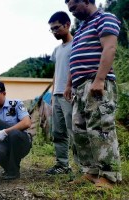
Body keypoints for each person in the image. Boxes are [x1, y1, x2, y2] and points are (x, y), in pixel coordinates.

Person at [64, 0, 122, 188]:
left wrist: (99, 79)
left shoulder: (105, 18)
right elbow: (75, 58)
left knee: (101, 128)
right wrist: (69, 84)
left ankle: (109, 175)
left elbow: (109, 48)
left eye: (73, 6)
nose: (71, 11)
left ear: (87, 1)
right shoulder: (80, 29)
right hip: (80, 86)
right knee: (79, 129)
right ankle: (91, 171)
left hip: (95, 81)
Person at [45, 11, 75, 175]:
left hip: (70, 94)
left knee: (74, 130)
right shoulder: (57, 50)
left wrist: (68, 88)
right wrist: (52, 91)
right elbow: (57, 72)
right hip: (56, 94)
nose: (54, 32)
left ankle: (84, 168)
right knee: (58, 132)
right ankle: (62, 165)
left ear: (67, 24)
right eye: (52, 29)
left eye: (56, 28)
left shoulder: (77, 44)